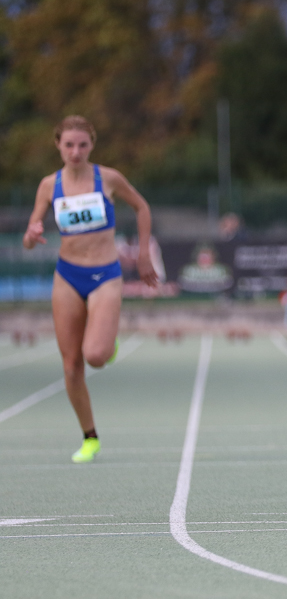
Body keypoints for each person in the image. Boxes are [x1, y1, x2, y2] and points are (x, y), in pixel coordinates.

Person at [22, 116, 157, 463]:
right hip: (67, 275)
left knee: (95, 355)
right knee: (71, 366)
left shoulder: (107, 178)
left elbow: (141, 206)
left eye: (82, 144)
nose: (75, 151)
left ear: (92, 145)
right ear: (58, 145)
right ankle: (90, 437)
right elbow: (29, 237)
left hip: (105, 274)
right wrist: (32, 236)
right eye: (69, 145)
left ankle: (108, 343)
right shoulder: (48, 185)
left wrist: (143, 254)